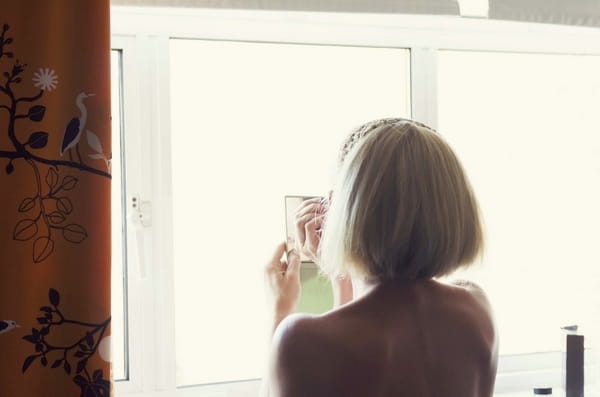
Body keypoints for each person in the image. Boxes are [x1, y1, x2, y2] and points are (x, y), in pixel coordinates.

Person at [263, 118, 498, 397]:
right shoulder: (475, 310)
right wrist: (342, 273)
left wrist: (280, 310)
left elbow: (345, 356)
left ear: (344, 213)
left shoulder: (300, 340)